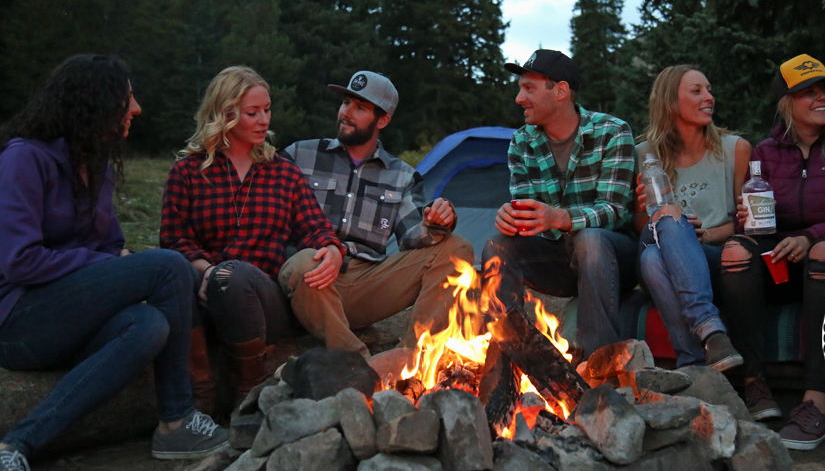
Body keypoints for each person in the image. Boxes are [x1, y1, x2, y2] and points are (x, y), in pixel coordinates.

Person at [0, 55, 228, 471]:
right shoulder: (23, 158)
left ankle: (18, 443)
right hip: (19, 321)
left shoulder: (96, 165)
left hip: (71, 319)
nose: (137, 108)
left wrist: (115, 263)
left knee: (150, 326)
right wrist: (107, 265)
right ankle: (177, 419)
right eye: (127, 98)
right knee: (170, 265)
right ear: (93, 103)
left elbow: (111, 245)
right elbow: (20, 262)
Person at [721, 54, 825, 449]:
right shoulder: (766, 152)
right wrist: (748, 217)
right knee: (735, 251)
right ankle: (754, 385)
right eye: (808, 93)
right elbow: (756, 225)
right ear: (787, 103)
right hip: (781, 264)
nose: (821, 98)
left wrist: (812, 235)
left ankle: (818, 404)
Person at [160, 66, 343, 406]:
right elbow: (173, 239)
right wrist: (206, 270)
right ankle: (199, 401)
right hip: (201, 299)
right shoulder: (187, 172)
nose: (264, 120)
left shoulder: (282, 171)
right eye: (252, 112)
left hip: (261, 300)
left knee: (235, 274)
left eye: (267, 109)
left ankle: (245, 396)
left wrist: (331, 250)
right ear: (225, 115)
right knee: (175, 270)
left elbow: (315, 227)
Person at [278, 71, 472, 359]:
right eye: (345, 102)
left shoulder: (401, 175)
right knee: (308, 260)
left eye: (359, 108)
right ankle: (358, 361)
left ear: (382, 120)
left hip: (366, 281)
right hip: (311, 278)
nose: (346, 113)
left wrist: (435, 223)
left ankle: (412, 359)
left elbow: (411, 236)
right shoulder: (300, 154)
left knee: (458, 248)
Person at [480, 49, 637, 360]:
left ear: (561, 91)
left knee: (590, 240)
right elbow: (528, 210)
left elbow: (616, 210)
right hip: (559, 259)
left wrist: (561, 218)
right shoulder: (522, 142)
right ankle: (504, 353)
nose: (519, 98)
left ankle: (599, 361)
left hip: (615, 259)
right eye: (520, 88)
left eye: (529, 88)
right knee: (498, 245)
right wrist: (512, 217)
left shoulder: (612, 132)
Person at [633, 65, 751, 370]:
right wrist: (658, 215)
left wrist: (703, 235)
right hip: (661, 244)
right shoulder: (644, 155)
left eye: (709, 90)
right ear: (671, 101)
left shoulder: (734, 150)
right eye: (697, 91)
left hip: (713, 257)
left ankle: (693, 364)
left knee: (651, 260)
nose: (709, 97)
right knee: (667, 221)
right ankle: (711, 332)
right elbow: (639, 228)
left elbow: (745, 221)